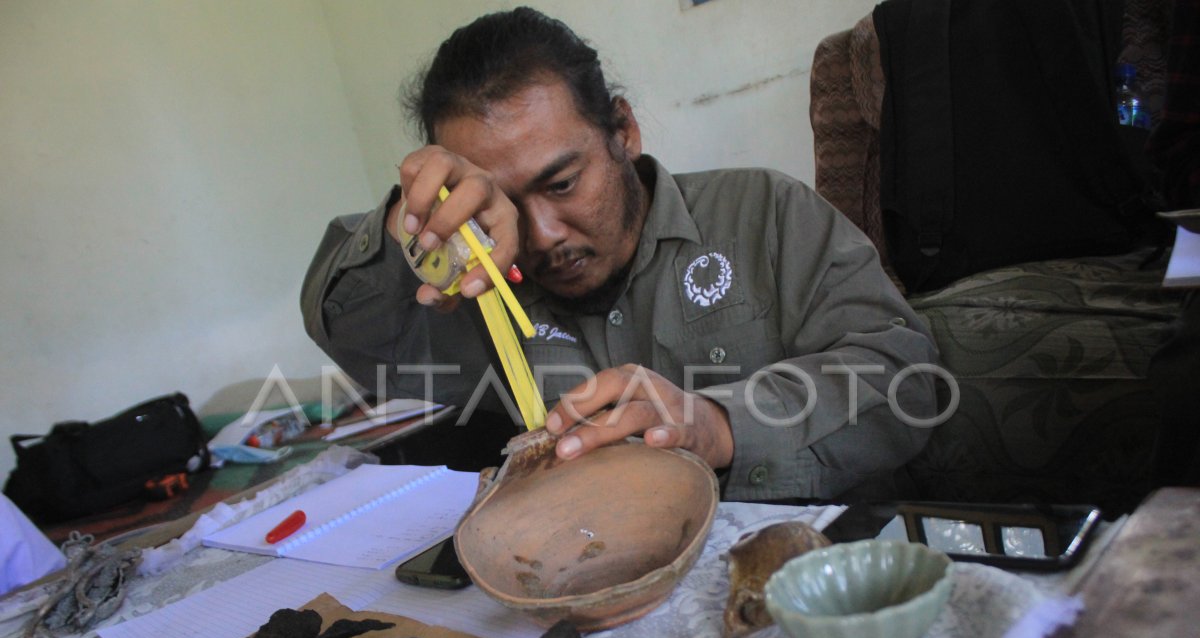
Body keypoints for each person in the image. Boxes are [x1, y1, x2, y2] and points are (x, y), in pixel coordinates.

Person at [301, 7, 940, 502]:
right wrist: (407, 225)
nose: (544, 235)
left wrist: (721, 425)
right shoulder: (485, 287)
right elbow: (352, 330)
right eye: (501, 203)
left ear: (623, 130)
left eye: (562, 183)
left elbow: (905, 375)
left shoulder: (764, 212)